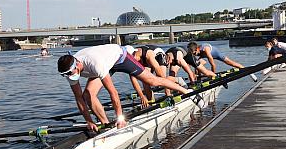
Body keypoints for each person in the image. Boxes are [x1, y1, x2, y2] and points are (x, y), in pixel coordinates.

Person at [57, 44, 189, 133]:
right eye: (65, 75)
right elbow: (79, 99)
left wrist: (120, 117)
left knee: (152, 81)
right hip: (107, 62)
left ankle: (184, 91)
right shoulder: (70, 71)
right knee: (88, 95)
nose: (69, 76)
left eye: (70, 73)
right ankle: (107, 125)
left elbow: (113, 93)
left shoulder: (95, 64)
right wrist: (88, 120)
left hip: (120, 57)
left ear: (77, 64)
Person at [187, 41, 258, 82]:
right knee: (197, 66)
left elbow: (213, 65)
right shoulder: (195, 50)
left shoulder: (206, 50)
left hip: (218, 55)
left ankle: (249, 72)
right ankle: (198, 80)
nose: (193, 55)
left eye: (194, 53)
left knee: (232, 64)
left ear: (197, 50)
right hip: (204, 56)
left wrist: (213, 77)